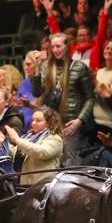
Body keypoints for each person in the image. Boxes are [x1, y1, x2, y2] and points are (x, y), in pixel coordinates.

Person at [32, 33, 94, 165]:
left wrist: (80, 120)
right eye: (53, 47)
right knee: (51, 163)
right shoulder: (46, 67)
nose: (55, 50)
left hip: (70, 124)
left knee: (69, 163)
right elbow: (36, 92)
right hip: (51, 124)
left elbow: (90, 98)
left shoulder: (79, 67)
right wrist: (36, 67)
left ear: (67, 47)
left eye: (58, 46)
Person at [0, 107, 64, 185]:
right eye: (33, 120)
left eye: (38, 121)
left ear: (49, 122)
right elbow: (14, 154)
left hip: (41, 185)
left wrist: (17, 139)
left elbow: (41, 152)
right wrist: (3, 142)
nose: (33, 123)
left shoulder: (55, 138)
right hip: (22, 182)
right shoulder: (28, 136)